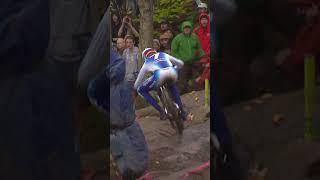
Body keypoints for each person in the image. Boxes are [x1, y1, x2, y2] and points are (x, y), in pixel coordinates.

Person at [134, 48, 188, 121]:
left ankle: (162, 112)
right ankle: (182, 111)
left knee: (141, 90)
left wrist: (135, 87)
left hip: (159, 75)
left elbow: (138, 81)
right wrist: (175, 68)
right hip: (172, 72)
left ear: (145, 57)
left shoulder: (146, 62)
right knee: (172, 86)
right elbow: (181, 63)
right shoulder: (163, 54)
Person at [171, 20, 205, 94]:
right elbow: (174, 51)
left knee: (197, 77)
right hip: (183, 63)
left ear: (191, 28)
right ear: (182, 28)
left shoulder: (195, 37)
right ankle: (180, 94)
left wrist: (203, 57)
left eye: (188, 28)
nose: (187, 29)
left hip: (194, 61)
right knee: (182, 79)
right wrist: (179, 59)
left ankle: (199, 92)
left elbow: (199, 48)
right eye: (185, 28)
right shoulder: (177, 38)